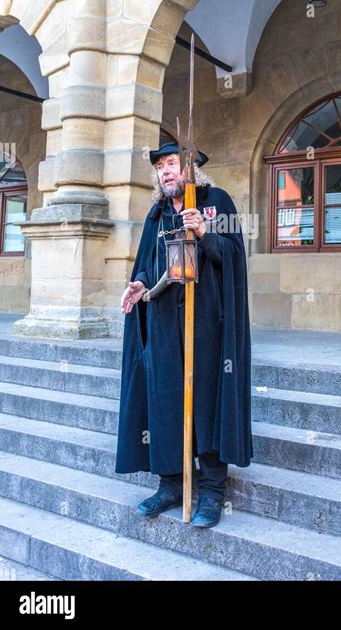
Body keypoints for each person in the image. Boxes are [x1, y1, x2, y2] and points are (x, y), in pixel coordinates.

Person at [115, 141, 253, 528]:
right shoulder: (157, 214)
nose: (165, 172)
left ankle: (211, 490)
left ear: (190, 168)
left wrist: (206, 233)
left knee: (207, 398)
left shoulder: (216, 201)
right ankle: (171, 482)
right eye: (160, 167)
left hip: (207, 322)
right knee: (166, 401)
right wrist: (139, 284)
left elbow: (234, 258)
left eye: (172, 163)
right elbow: (146, 264)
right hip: (163, 322)